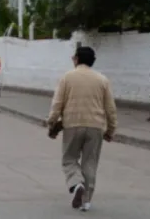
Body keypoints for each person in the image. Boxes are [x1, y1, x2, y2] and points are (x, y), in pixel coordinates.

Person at [47, 46, 117, 212]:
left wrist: (51, 123)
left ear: (77, 59)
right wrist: (111, 130)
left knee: (69, 159)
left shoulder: (67, 78)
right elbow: (110, 108)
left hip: (72, 124)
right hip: (96, 126)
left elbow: (57, 104)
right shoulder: (102, 80)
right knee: (90, 162)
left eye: (73, 57)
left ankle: (76, 183)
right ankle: (86, 202)